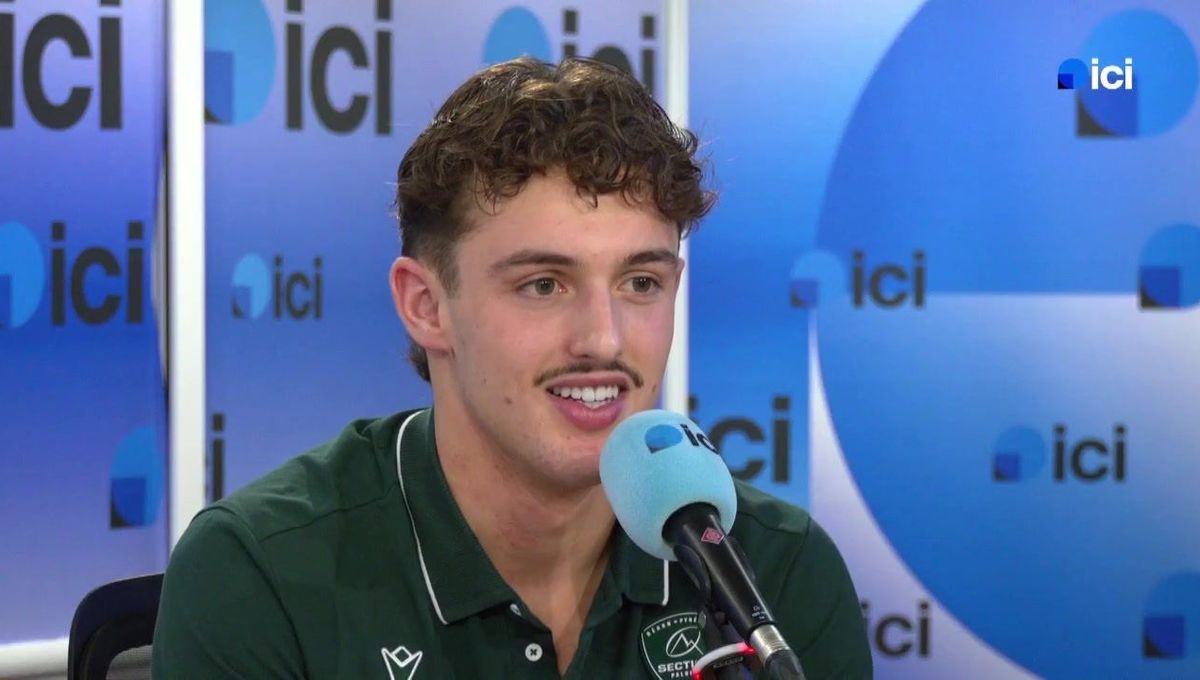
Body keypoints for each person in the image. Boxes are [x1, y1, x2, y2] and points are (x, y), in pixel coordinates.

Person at [152, 57, 871, 679]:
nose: (604, 338)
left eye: (640, 282)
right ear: (426, 306)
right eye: (544, 284)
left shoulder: (776, 577)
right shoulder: (261, 575)